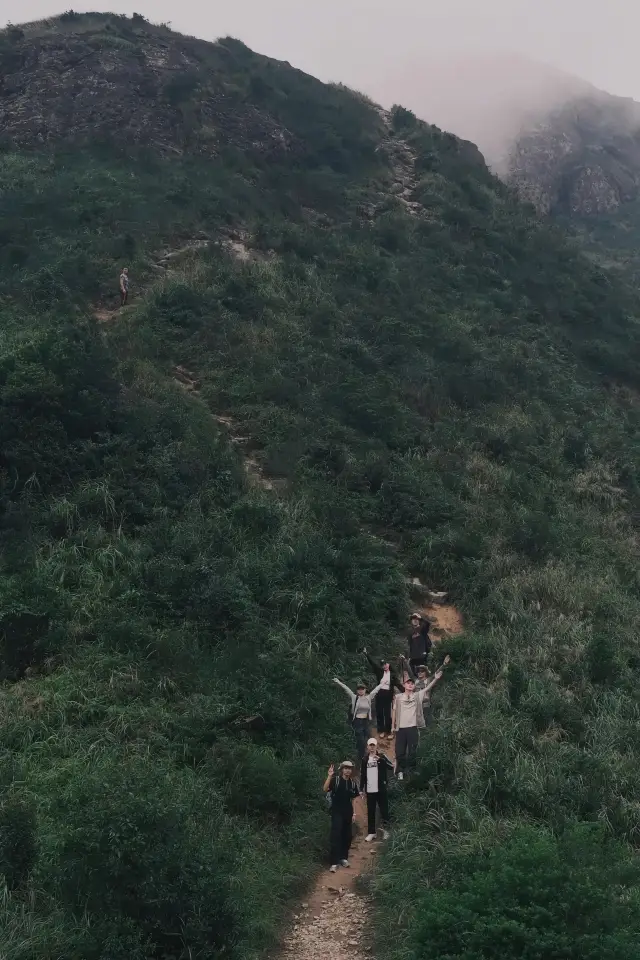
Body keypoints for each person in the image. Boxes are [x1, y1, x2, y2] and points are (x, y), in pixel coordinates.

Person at [392, 671, 442, 780]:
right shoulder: (398, 697)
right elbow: (394, 711)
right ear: (404, 685)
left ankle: (410, 772)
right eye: (408, 683)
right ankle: (400, 771)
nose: (410, 684)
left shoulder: (417, 695)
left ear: (414, 686)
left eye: (412, 683)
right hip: (401, 728)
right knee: (399, 752)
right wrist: (393, 726)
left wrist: (436, 678)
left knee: (413, 751)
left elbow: (427, 688)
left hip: (412, 727)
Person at [333, 676, 386, 758]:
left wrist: (382, 684)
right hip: (357, 721)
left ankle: (372, 754)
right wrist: (338, 682)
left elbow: (376, 690)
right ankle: (361, 757)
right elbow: (346, 689)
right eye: (359, 689)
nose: (361, 691)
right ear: (357, 691)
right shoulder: (355, 697)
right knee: (360, 740)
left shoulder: (369, 698)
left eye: (362, 689)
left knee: (368, 737)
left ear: (365, 690)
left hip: (365, 721)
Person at [323, 760, 360, 873]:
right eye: (346, 768)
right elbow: (325, 789)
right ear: (342, 769)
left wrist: (354, 813)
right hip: (337, 812)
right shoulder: (336, 780)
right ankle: (334, 862)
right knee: (336, 835)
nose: (348, 770)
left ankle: (343, 858)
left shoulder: (352, 783)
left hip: (348, 812)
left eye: (349, 768)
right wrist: (329, 776)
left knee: (347, 836)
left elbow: (353, 799)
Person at [363, 649, 403, 740]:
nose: (384, 666)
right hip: (380, 694)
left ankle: (388, 731)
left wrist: (406, 691)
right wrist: (366, 654)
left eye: (385, 664)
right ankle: (381, 730)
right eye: (382, 664)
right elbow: (372, 663)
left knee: (387, 713)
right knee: (379, 712)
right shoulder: (380, 672)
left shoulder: (392, 674)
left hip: (388, 696)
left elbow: (398, 684)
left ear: (388, 664)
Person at [402, 655, 450, 727]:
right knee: (414, 724)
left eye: (422, 671)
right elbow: (409, 671)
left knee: (427, 723)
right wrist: (405, 661)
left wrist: (444, 664)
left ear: (426, 672)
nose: (420, 672)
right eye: (418, 671)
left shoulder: (428, 680)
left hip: (425, 705)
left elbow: (437, 673)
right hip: (415, 705)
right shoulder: (415, 680)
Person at [360, 738, 393, 841]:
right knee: (371, 811)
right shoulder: (364, 759)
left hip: (381, 789)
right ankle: (371, 832)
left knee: (384, 811)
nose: (372, 747)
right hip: (370, 790)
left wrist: (380, 760)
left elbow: (391, 767)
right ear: (367, 746)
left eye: (373, 745)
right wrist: (361, 788)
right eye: (370, 745)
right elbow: (363, 775)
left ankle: (386, 832)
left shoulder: (382, 757)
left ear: (376, 746)